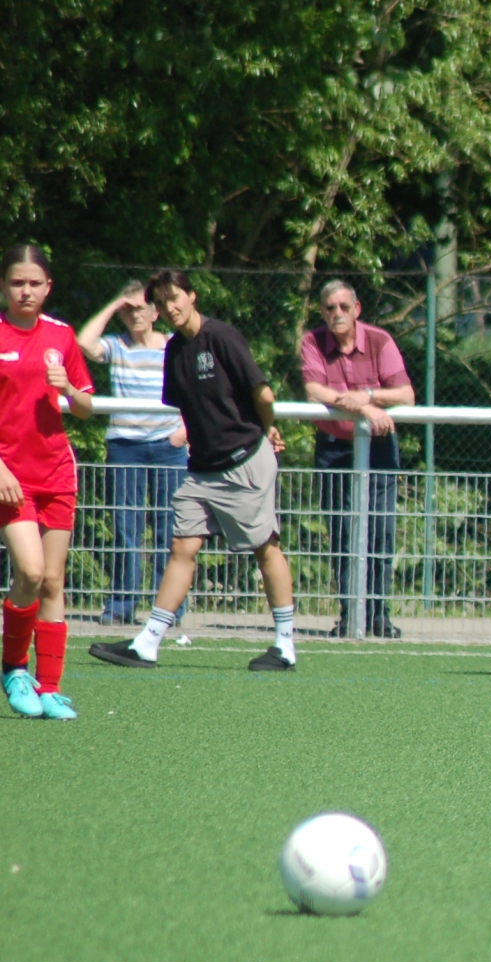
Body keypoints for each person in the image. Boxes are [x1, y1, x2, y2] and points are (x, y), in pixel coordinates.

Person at [89, 269, 297, 673]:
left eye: (175, 297)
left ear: (192, 295)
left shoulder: (222, 337)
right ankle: (147, 644)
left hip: (244, 463)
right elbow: (188, 404)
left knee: (265, 547)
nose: (169, 307)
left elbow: (263, 393)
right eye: (161, 302)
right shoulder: (174, 350)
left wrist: (267, 426)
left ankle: (285, 647)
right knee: (181, 548)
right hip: (201, 469)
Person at [0, 244, 95, 720]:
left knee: (53, 580)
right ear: (3, 286)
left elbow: (87, 407)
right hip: (10, 477)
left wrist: (69, 389)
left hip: (56, 473)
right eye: (17, 282)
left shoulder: (61, 335)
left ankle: (50, 687)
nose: (26, 291)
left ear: (48, 287)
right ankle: (14, 668)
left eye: (35, 283)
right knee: (31, 572)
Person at [300, 279, 416, 638]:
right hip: (334, 447)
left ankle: (379, 615)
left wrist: (366, 396)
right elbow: (314, 391)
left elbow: (406, 395)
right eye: (330, 308)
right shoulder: (312, 342)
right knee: (342, 532)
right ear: (322, 312)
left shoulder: (380, 340)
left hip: (378, 446)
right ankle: (351, 614)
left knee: (380, 531)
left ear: (357, 309)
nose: (337, 313)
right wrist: (362, 407)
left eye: (343, 307)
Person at [76, 282, 185, 625]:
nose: (136, 314)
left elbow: (195, 388)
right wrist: (114, 303)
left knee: (170, 529)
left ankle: (168, 609)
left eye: (142, 307)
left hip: (169, 446)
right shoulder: (117, 345)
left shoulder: (173, 345)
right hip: (125, 445)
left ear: (156, 312)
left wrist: (185, 431)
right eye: (129, 309)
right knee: (126, 528)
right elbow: (84, 343)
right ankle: (121, 605)